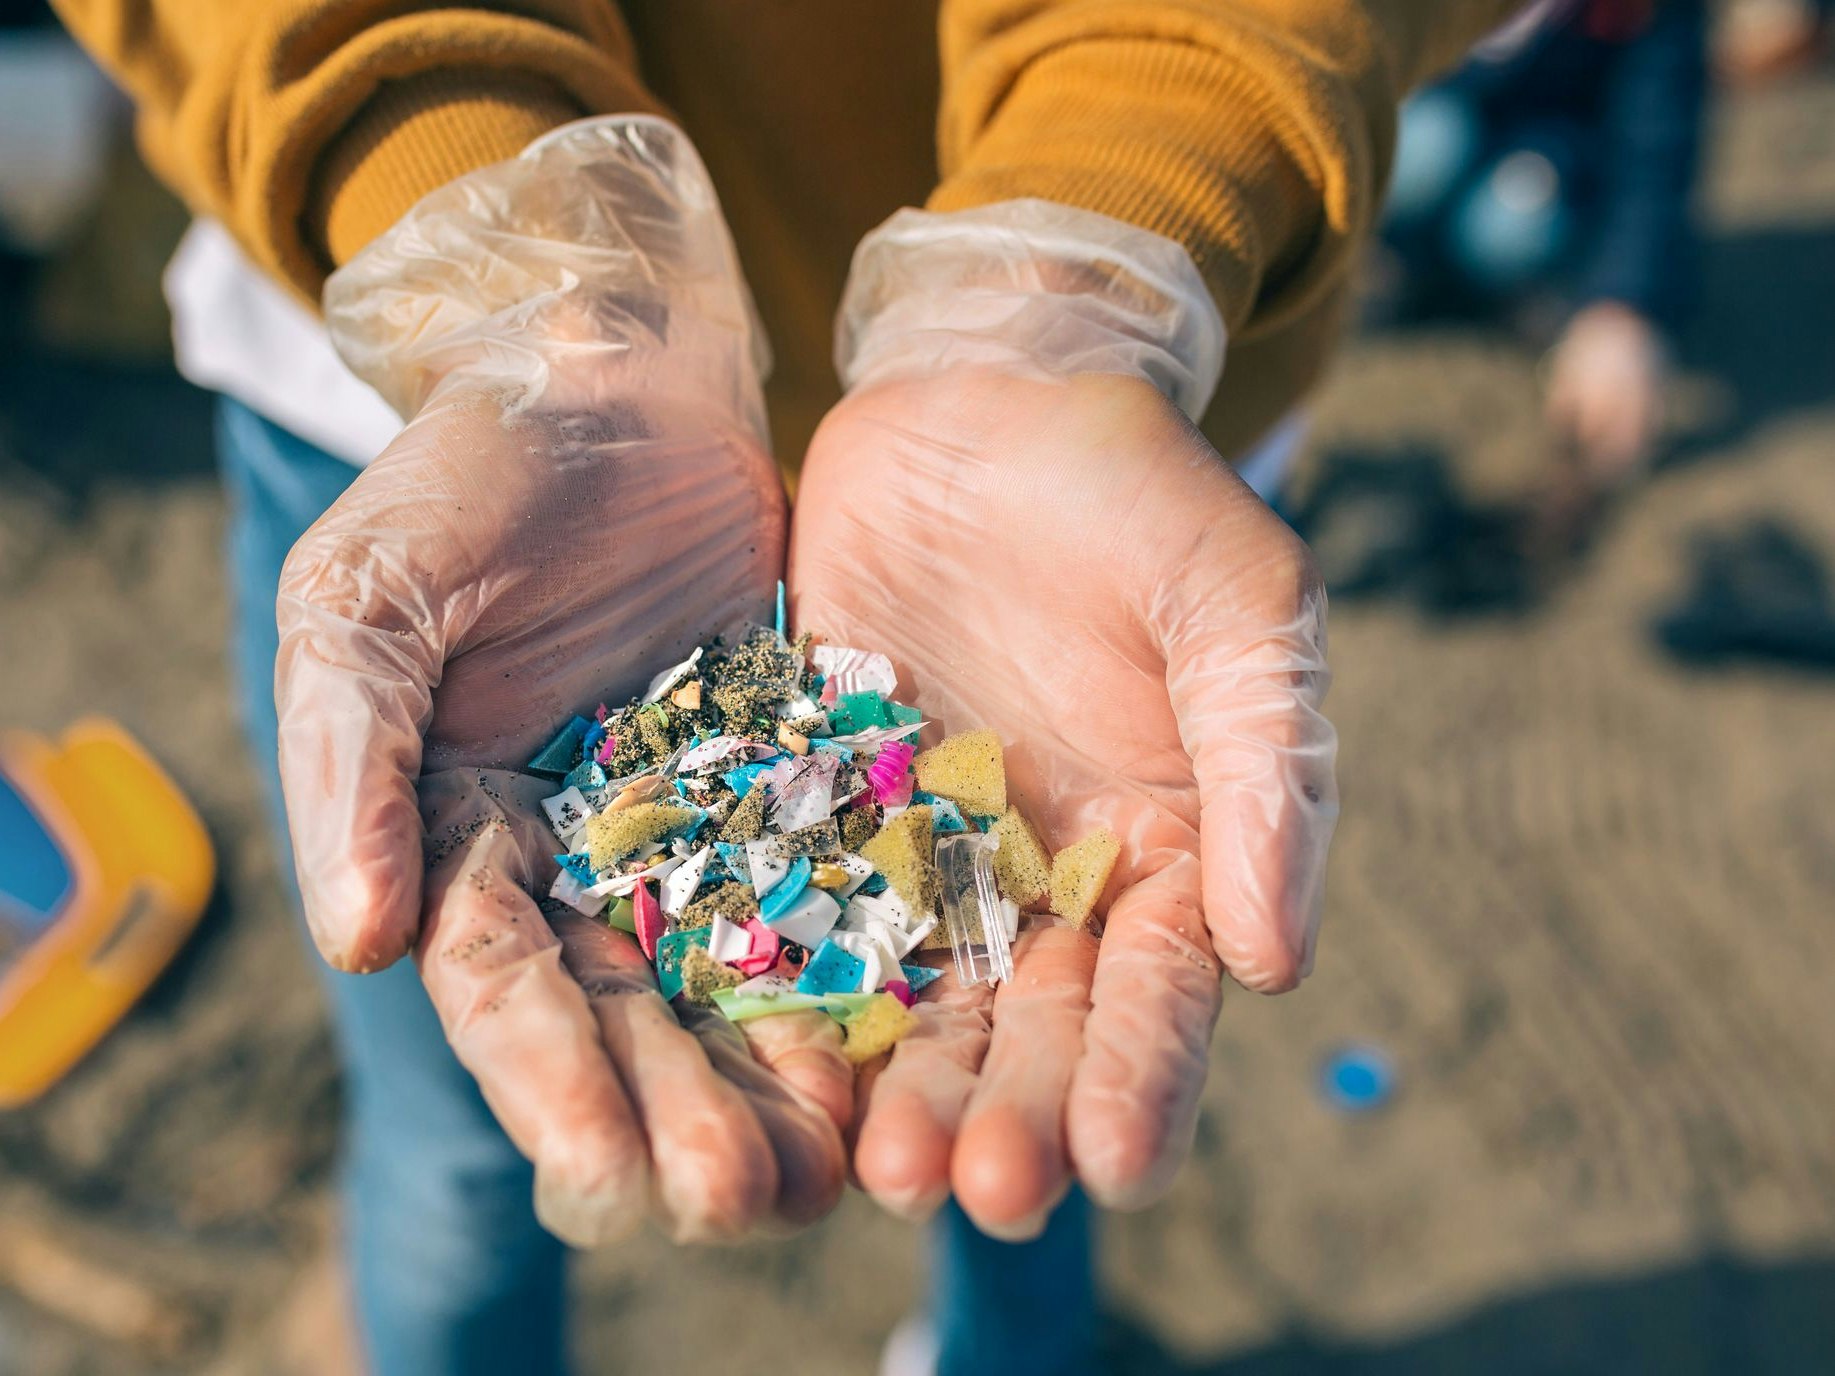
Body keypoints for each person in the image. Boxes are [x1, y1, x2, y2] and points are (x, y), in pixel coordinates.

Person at [48, 3, 1521, 1373]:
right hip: (460, 403)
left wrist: (1099, 248)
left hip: (1093, 446)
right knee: (458, 1136)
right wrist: (486, 240)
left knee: (1027, 1098)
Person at [1378, 0, 1710, 488]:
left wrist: (1622, 307)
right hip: (1436, 116)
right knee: (1421, 145)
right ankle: (1396, 262)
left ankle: (1474, 287)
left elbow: (1656, 147)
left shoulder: (1643, 16)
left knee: (1513, 223)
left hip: (1544, 157)